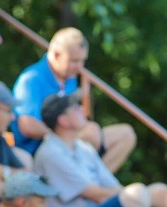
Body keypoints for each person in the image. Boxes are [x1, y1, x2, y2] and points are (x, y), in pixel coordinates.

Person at [34, 93, 166, 207]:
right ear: (63, 120)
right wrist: (136, 196)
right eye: (76, 108)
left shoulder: (84, 148)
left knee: (161, 193)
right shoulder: (50, 153)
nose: (83, 109)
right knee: (137, 195)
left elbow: (113, 186)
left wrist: (140, 196)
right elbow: (96, 195)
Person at [11, 27, 135, 172]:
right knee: (90, 133)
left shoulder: (70, 78)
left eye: (83, 61)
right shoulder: (31, 80)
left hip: (69, 143)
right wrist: (67, 134)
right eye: (74, 61)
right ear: (56, 54)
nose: (79, 67)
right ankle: (88, 186)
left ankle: (95, 184)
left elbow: (80, 118)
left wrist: (85, 95)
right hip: (39, 149)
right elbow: (27, 126)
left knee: (126, 134)